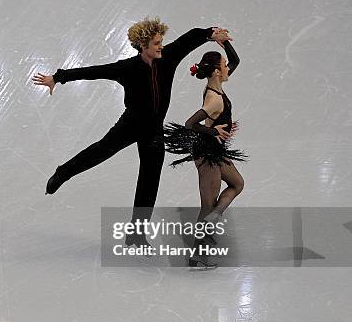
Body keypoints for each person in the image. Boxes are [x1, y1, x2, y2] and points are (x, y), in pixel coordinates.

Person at [32, 17, 232, 248]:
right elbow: (94, 71)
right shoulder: (127, 68)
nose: (161, 46)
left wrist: (211, 33)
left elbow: (189, 39)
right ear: (143, 46)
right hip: (130, 126)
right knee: (100, 152)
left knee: (149, 182)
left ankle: (136, 234)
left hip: (154, 132)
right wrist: (58, 77)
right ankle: (63, 172)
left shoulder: (167, 58)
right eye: (156, 43)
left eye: (161, 41)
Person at [162, 39, 246, 267]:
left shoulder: (217, 85)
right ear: (218, 71)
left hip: (215, 148)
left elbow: (236, 60)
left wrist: (225, 42)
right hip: (206, 153)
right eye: (225, 65)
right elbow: (190, 123)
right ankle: (198, 253)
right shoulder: (214, 98)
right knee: (207, 205)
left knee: (237, 183)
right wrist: (213, 129)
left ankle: (209, 224)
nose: (229, 67)